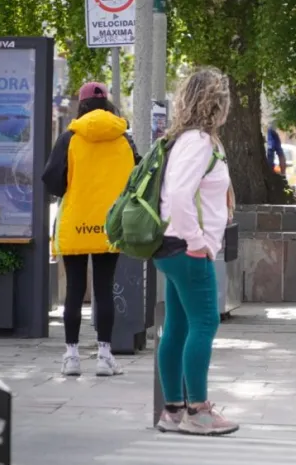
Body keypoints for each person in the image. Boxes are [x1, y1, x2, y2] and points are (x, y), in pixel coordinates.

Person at [153, 67, 238, 436]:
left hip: (171, 246)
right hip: (186, 248)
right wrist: (196, 241)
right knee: (205, 323)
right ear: (215, 103)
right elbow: (178, 196)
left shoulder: (184, 140)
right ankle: (198, 411)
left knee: (178, 326)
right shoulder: (198, 142)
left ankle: (172, 411)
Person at [42, 82, 138, 377]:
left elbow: (52, 180)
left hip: (76, 223)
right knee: (104, 288)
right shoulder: (123, 138)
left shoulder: (69, 138)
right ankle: (105, 356)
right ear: (107, 104)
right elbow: (137, 176)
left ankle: (71, 357)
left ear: (81, 105)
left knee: (74, 288)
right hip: (111, 225)